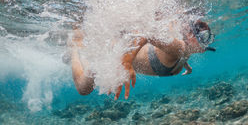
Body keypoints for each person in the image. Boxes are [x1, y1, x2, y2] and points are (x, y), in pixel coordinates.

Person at [70, 20, 215, 100]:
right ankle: (74, 48)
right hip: (114, 54)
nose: (207, 43)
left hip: (122, 51)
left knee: (87, 73)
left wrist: (187, 67)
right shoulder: (179, 47)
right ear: (190, 36)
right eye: (203, 37)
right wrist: (126, 61)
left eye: (208, 38)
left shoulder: (184, 51)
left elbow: (180, 57)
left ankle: (80, 44)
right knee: (83, 89)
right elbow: (148, 34)